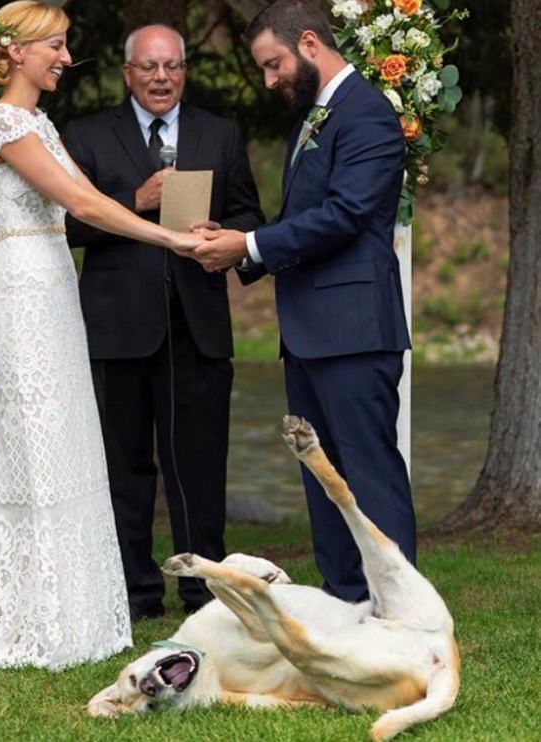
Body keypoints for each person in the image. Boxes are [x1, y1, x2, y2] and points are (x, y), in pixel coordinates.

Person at [0, 1, 201, 671]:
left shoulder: (39, 121)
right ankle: (35, 612)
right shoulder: (0, 121)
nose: (65, 57)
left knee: (69, 435)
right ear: (19, 52)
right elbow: (85, 206)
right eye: (55, 46)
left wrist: (166, 215)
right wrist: (172, 236)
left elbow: (92, 195)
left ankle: (78, 607)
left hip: (59, 283)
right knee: (36, 436)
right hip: (24, 285)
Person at [192, 0, 416, 603]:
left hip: (355, 330)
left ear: (310, 43)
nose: (269, 81)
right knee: (323, 477)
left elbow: (345, 215)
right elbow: (302, 219)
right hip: (311, 331)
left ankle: (399, 614)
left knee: (368, 474)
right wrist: (237, 246)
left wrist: (251, 243)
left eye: (273, 64)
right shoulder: (315, 117)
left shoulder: (366, 113)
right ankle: (346, 602)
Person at [63, 25, 263, 620]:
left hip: (197, 328)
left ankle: (206, 594)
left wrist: (221, 234)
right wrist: (134, 202)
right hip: (117, 330)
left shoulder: (219, 134)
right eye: (149, 67)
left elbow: (249, 214)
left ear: (185, 71)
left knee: (198, 466)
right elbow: (68, 229)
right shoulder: (88, 136)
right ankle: (133, 594)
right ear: (127, 72)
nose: (161, 78)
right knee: (124, 469)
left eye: (172, 66)